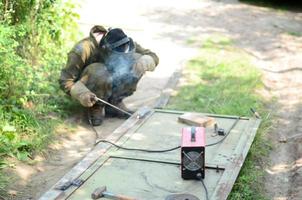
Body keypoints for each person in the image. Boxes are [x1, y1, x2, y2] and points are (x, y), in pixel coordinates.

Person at [59, 25, 159, 126]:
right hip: (91, 86)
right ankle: (96, 107)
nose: (121, 60)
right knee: (98, 70)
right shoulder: (83, 49)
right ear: (105, 49)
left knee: (138, 59)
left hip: (111, 82)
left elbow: (152, 55)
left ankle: (115, 102)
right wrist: (82, 94)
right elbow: (66, 80)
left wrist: (147, 60)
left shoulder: (125, 43)